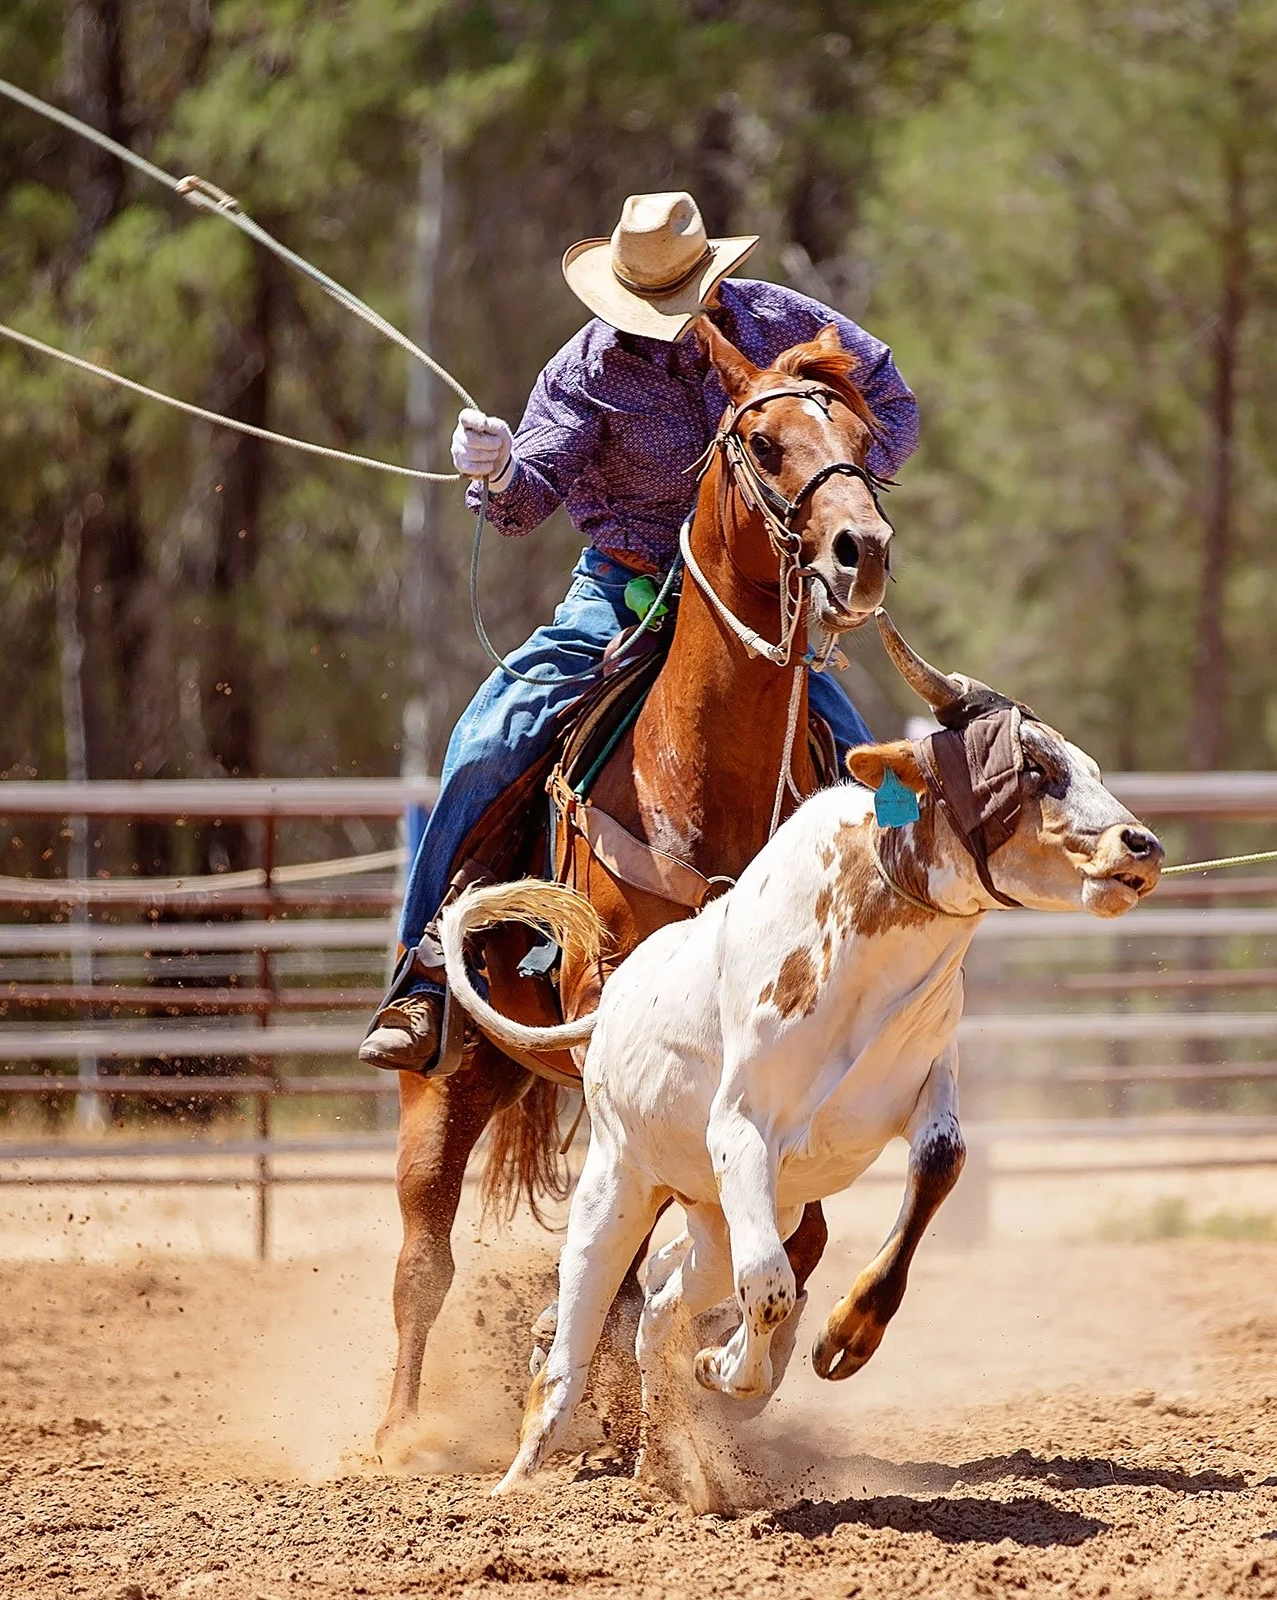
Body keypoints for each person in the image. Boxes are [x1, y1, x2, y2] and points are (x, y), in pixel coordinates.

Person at [360, 191, 919, 1073]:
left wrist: (836, 495)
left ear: (708, 274)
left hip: (755, 606)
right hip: (625, 591)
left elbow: (891, 395)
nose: (666, 323)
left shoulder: (784, 324)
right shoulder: (587, 368)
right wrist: (500, 468)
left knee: (873, 778)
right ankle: (422, 980)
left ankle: (897, 971)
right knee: (488, 738)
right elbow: (526, 498)